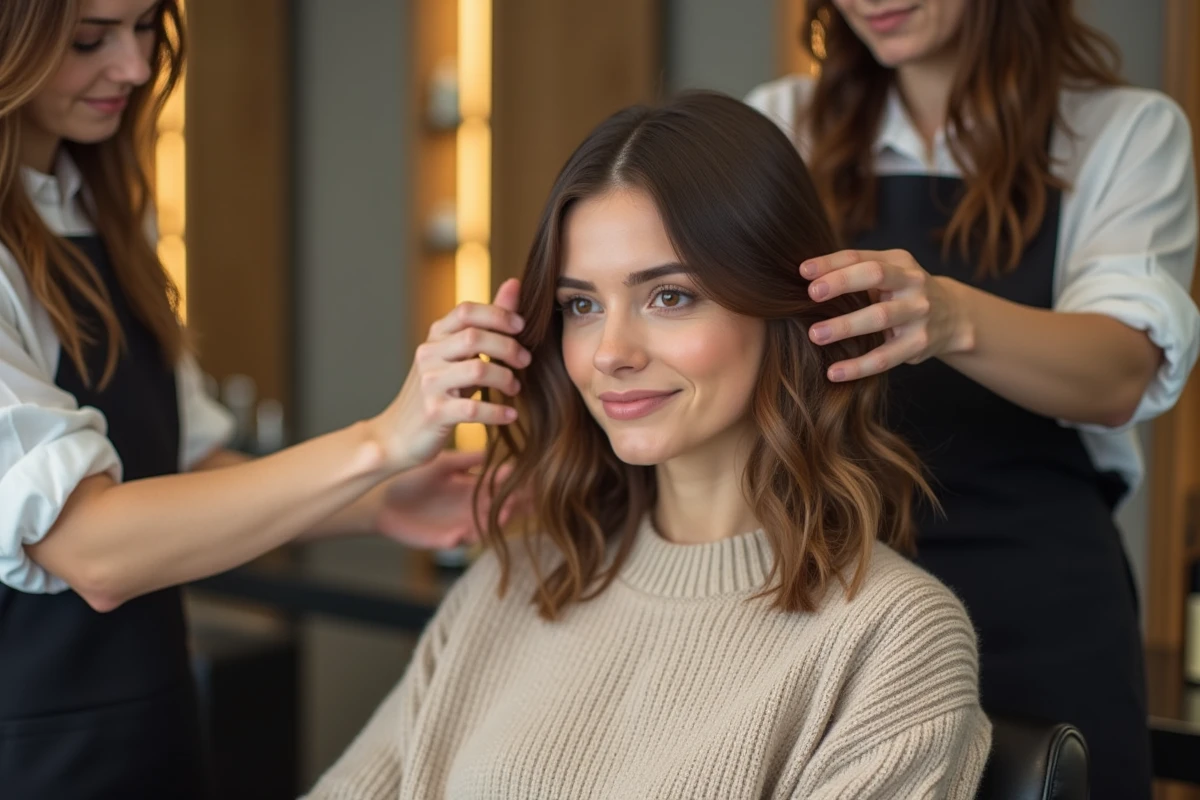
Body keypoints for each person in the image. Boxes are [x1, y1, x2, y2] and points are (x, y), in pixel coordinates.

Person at [305, 91, 990, 800]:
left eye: (669, 296)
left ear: (782, 306)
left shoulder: (894, 638)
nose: (610, 352)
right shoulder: (515, 583)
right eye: (581, 305)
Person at [0, 1, 525, 796]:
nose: (136, 67)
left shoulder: (101, 208)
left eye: (145, 28)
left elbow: (188, 467)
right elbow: (91, 549)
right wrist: (379, 443)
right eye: (89, 39)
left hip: (153, 733)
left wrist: (379, 501)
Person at [744, 1, 1200, 797]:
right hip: (830, 586)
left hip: (1041, 602)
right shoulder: (783, 126)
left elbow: (1119, 374)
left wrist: (950, 317)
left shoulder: (1122, 134)